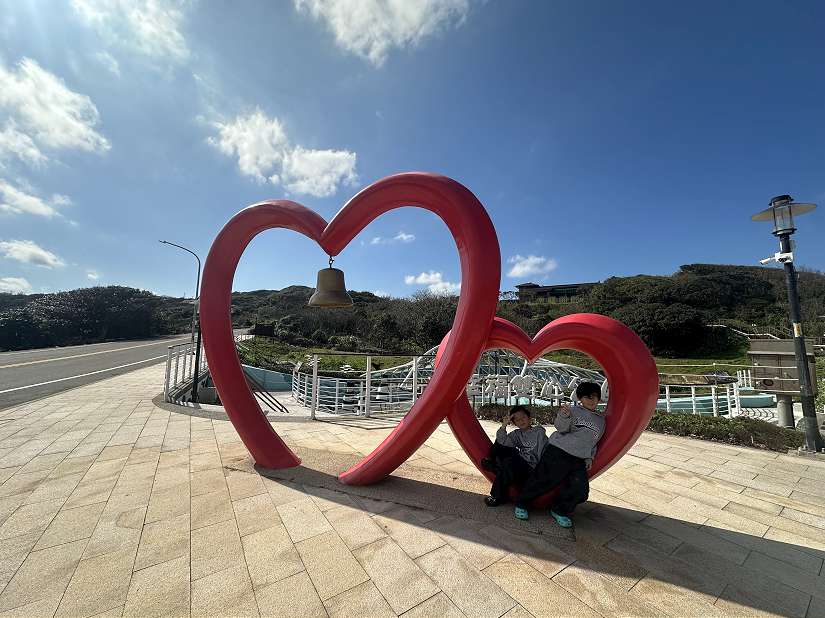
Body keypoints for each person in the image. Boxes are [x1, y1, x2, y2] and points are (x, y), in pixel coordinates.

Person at [513, 381, 605, 528]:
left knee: (581, 490)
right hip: (558, 451)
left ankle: (559, 510)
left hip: (579, 459)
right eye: (587, 397)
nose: (591, 400)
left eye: (594, 396)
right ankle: (522, 503)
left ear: (599, 398)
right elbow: (560, 428)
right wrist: (564, 416)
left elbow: (593, 441)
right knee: (542, 479)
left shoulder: (601, 421)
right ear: (580, 398)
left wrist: (590, 456)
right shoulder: (573, 410)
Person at [481, 405, 548, 507]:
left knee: (509, 463)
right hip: (520, 462)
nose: (521, 421)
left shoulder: (539, 432)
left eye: (523, 417)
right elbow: (502, 440)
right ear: (514, 423)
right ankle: (496, 464)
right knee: (501, 445)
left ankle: (497, 492)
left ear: (529, 418)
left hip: (532, 466)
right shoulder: (516, 434)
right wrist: (504, 425)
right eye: (517, 420)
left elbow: (544, 451)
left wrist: (541, 469)